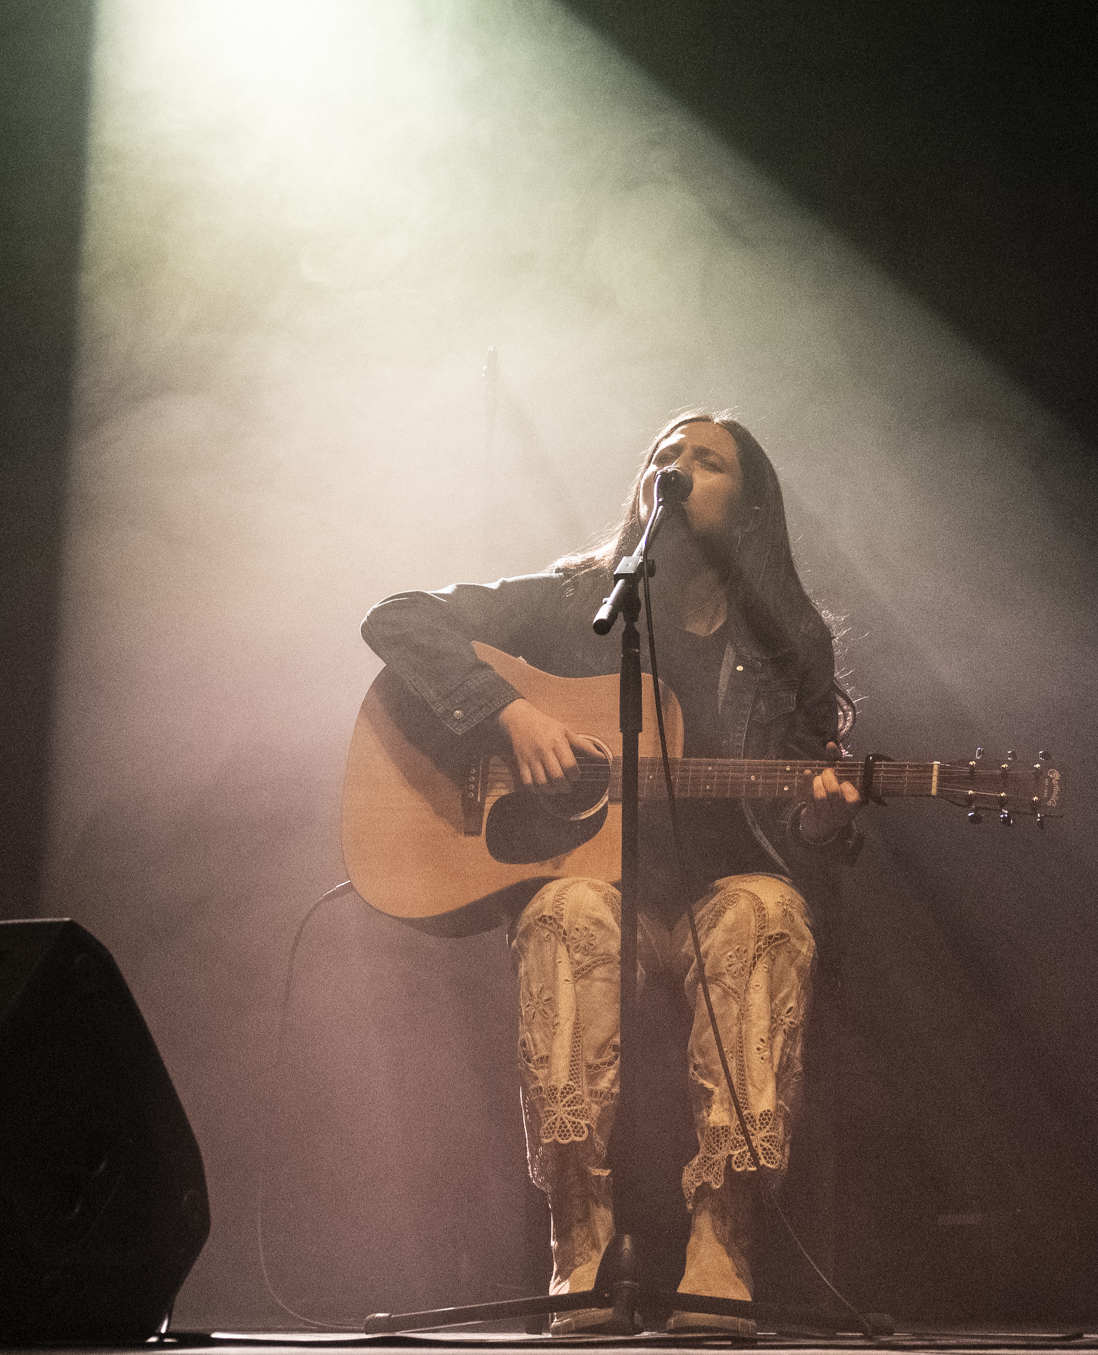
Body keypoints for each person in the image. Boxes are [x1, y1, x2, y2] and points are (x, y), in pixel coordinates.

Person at [360, 410, 862, 1328]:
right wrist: (509, 714)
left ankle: (723, 1239)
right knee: (569, 913)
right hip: (593, 890)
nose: (678, 468)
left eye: (707, 461)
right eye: (665, 455)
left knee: (768, 915)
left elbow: (802, 815)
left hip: (720, 894)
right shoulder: (576, 600)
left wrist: (822, 820)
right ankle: (578, 1237)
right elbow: (397, 617)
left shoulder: (786, 635)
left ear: (748, 503)